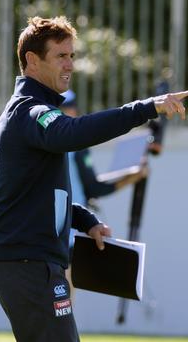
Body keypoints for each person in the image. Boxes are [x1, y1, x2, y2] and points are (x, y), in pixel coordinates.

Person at [0, 16, 188, 342]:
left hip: (32, 260)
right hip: (26, 262)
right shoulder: (29, 110)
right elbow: (73, 132)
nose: (70, 64)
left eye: (72, 56)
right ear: (32, 61)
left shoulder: (34, 111)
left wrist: (84, 219)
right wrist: (146, 108)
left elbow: (36, 191)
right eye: (60, 56)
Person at [59, 89, 147, 299]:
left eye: (71, 107)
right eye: (66, 107)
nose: (71, 111)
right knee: (63, 305)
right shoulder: (74, 144)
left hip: (56, 233)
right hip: (69, 234)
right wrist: (131, 177)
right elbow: (94, 188)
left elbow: (91, 187)